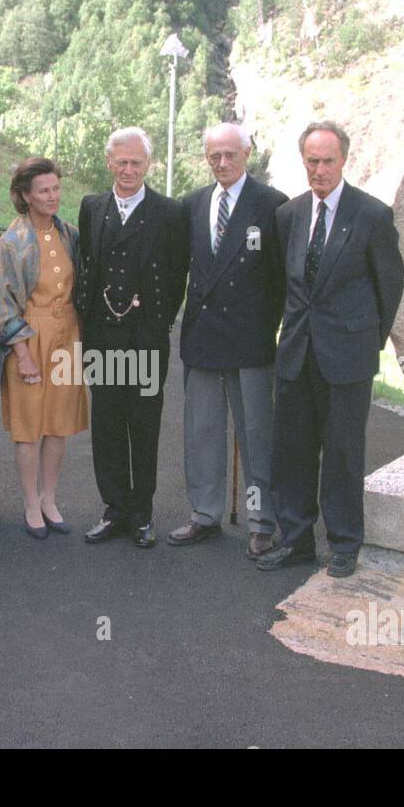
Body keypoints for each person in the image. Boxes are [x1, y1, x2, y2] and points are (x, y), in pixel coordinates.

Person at [256, 121, 404, 577]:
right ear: (303, 161)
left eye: (327, 161)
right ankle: (296, 539)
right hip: (297, 352)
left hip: (348, 358)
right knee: (292, 452)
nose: (319, 170)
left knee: (342, 454)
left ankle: (343, 545)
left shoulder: (373, 216)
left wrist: (366, 343)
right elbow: (281, 284)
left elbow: (390, 287)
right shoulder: (289, 215)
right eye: (311, 161)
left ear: (344, 161)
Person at [169, 122, 288, 557]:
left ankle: (261, 521)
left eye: (230, 155)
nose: (222, 163)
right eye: (214, 155)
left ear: (246, 153)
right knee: (202, 432)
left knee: (257, 435)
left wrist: (264, 325)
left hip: (250, 340)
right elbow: (184, 269)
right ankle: (204, 514)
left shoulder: (272, 205)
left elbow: (280, 281)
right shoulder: (193, 205)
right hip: (201, 337)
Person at [75, 127, 188, 548]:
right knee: (105, 425)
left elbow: (178, 276)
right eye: (121, 162)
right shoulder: (92, 207)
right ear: (109, 162)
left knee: (142, 426)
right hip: (102, 336)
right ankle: (114, 509)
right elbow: (88, 263)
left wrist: (157, 323)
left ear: (148, 165)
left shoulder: (170, 213)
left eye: (135, 163)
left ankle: (142, 514)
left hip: (145, 338)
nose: (128, 169)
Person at [0, 157, 88, 539]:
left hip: (68, 335)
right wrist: (24, 355)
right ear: (25, 196)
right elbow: (3, 302)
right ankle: (30, 502)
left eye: (56, 188)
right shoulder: (12, 241)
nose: (52, 196)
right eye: (43, 190)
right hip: (29, 338)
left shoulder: (70, 234)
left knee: (59, 425)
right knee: (29, 428)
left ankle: (49, 498)